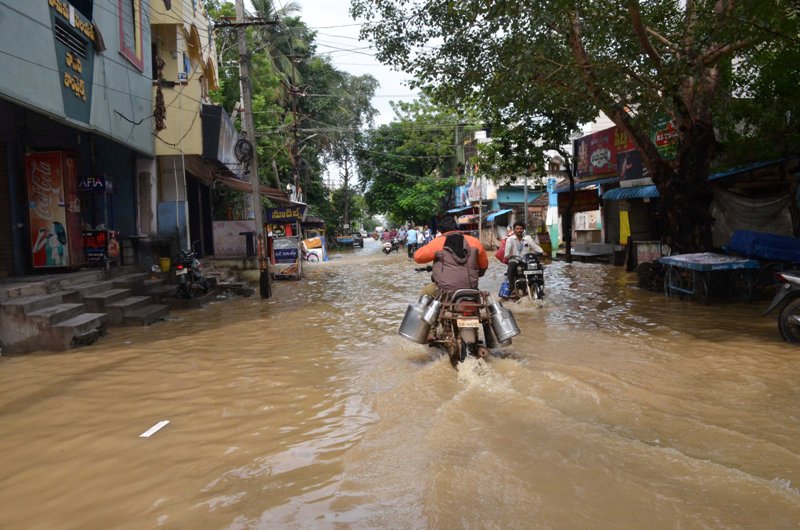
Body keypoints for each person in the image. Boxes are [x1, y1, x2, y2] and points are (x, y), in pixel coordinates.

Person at [414, 230, 489, 297]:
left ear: (440, 230)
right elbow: (483, 266)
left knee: (426, 291)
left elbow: (417, 257)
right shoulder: (474, 241)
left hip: (445, 291)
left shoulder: (438, 242)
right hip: (472, 290)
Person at [504, 221, 544, 295]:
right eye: (517, 228)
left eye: (521, 228)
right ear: (514, 230)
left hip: (526, 260)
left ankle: (540, 286)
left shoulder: (528, 238)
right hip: (515, 259)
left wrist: (542, 252)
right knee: (511, 265)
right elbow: (506, 254)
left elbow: (535, 247)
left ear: (524, 230)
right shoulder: (510, 239)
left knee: (540, 267)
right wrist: (510, 256)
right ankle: (511, 286)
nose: (519, 230)